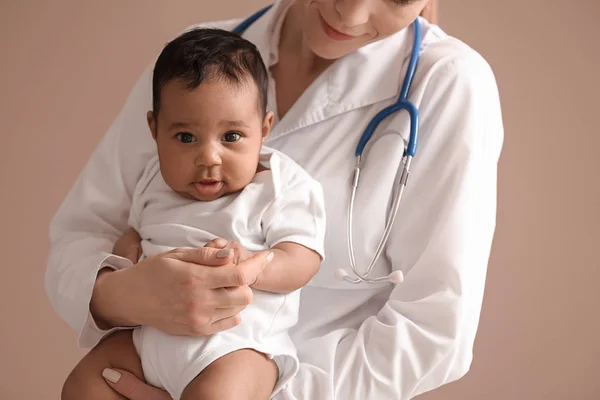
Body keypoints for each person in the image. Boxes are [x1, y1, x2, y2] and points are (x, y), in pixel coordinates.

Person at [46, 0, 504, 399]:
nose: (352, 12)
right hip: (149, 350)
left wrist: (241, 391)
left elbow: (433, 331)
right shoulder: (193, 57)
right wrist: (119, 294)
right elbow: (85, 234)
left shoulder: (448, 82)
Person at [59, 28, 326, 400]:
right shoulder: (153, 179)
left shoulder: (281, 187)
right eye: (186, 138)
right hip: (145, 338)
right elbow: (135, 230)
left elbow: (303, 258)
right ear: (154, 130)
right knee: (85, 384)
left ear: (264, 129)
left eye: (231, 136)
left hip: (235, 346)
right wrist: (128, 251)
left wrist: (256, 265)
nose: (208, 158)